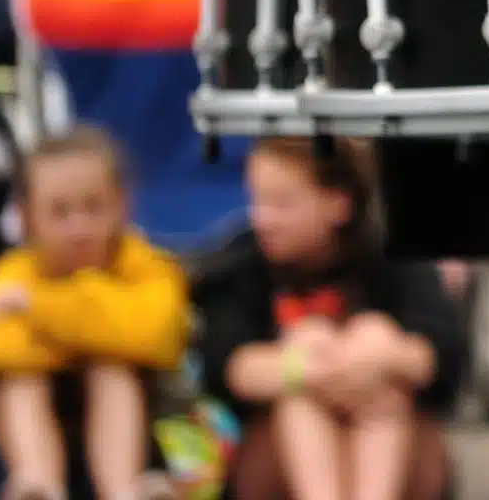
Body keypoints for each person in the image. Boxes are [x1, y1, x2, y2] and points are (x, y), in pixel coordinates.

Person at [196, 138, 464, 500]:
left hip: (393, 435)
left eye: (282, 203)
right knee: (300, 381)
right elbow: (227, 363)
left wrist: (380, 354)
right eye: (257, 200)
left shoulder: (390, 257)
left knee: (378, 354)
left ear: (338, 203)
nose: (263, 219)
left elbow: (441, 353)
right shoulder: (240, 265)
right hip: (272, 457)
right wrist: (305, 366)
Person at [0, 126, 189, 500]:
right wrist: (99, 327)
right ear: (26, 217)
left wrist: (38, 308)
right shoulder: (6, 276)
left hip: (130, 448)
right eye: (59, 212)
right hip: (11, 457)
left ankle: (123, 492)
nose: (79, 228)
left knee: (111, 368)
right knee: (20, 380)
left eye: (94, 207)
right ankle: (38, 487)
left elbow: (160, 332)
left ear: (122, 203)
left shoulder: (148, 266)